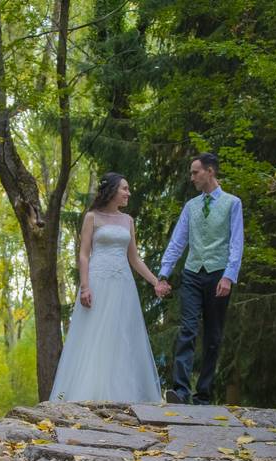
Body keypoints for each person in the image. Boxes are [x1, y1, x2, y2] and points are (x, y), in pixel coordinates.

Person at [50, 173, 165, 402]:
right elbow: (83, 255)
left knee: (122, 336)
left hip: (123, 284)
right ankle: (89, 393)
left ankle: (122, 394)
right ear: (112, 190)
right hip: (97, 282)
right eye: (125, 188)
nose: (128, 193)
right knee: (94, 335)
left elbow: (135, 259)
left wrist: (155, 282)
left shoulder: (128, 221)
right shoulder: (92, 217)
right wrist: (85, 287)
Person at [155, 153, 244, 405]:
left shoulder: (232, 203)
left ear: (210, 172)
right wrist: (164, 272)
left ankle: (203, 394)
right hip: (193, 274)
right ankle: (181, 391)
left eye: (195, 172)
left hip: (218, 275)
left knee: (213, 336)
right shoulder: (191, 206)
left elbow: (237, 243)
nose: (191, 177)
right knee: (188, 329)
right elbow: (178, 241)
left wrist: (229, 276)